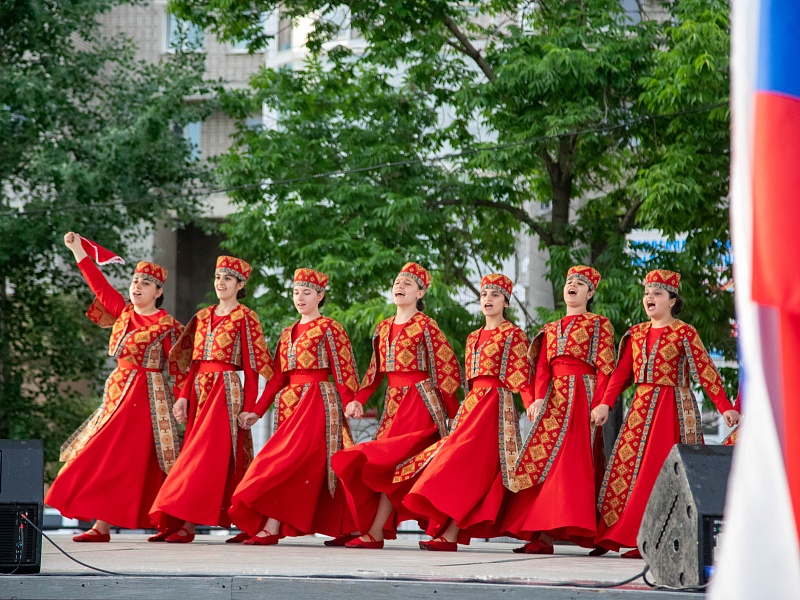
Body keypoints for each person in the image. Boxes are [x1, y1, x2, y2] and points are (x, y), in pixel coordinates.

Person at [46, 232, 184, 542]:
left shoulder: (168, 326)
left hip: (150, 400)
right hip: (117, 395)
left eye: (145, 283)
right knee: (100, 454)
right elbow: (98, 284)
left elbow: (181, 368)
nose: (137, 286)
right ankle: (101, 525)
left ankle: (176, 525)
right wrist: (78, 250)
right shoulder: (122, 313)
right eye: (135, 281)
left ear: (159, 291)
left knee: (150, 460)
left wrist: (183, 400)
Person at [592, 269, 740, 557]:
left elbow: (706, 371)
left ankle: (656, 537)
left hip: (674, 408)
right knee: (630, 469)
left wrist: (725, 407)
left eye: (657, 293)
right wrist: (605, 404)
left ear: (672, 300)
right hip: (640, 408)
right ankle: (626, 534)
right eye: (647, 293)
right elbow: (622, 374)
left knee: (664, 471)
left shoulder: (684, 332)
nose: (650, 298)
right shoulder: (635, 334)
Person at [330, 262, 461, 549]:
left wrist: (454, 415)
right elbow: (374, 372)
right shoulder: (383, 327)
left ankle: (433, 531)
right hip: (394, 402)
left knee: (395, 463)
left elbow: (447, 369)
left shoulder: (426, 326)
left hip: (420, 402)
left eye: (408, 284)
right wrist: (357, 401)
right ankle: (373, 531)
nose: (399, 287)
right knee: (386, 466)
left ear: (420, 293)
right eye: (397, 283)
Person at [398, 274, 533, 551]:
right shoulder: (473, 337)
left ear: (506, 301)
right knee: (452, 462)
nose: (488, 299)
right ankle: (445, 529)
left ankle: (450, 534)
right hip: (472, 404)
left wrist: (532, 402)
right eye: (484, 295)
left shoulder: (514, 334)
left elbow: (521, 375)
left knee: (471, 467)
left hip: (495, 406)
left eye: (495, 295)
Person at [228, 269, 360, 545]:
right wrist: (257, 410)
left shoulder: (330, 328)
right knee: (290, 464)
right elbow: (277, 378)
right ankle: (342, 527)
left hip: (318, 403)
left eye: (307, 292)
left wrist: (351, 402)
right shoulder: (287, 332)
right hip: (289, 406)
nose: (299, 297)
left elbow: (343, 369)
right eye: (296, 292)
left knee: (306, 464)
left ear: (320, 296)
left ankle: (273, 527)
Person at [149, 256, 274, 543]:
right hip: (199, 392)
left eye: (227, 279)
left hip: (225, 390)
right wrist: (182, 398)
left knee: (205, 457)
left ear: (240, 284)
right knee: (202, 455)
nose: (220, 283)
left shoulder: (246, 317)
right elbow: (192, 363)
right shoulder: (203, 316)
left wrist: (252, 408)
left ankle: (187, 525)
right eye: (218, 277)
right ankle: (222, 520)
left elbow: (253, 368)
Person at [502, 266, 615, 554]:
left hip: (583, 397)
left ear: (590, 293)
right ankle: (542, 533)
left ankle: (573, 533)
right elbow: (541, 368)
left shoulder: (599, 324)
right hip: (555, 399)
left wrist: (602, 402)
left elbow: (605, 368)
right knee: (543, 462)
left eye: (580, 283)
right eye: (569, 282)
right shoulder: (550, 329)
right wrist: (538, 398)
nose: (572, 286)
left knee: (574, 463)